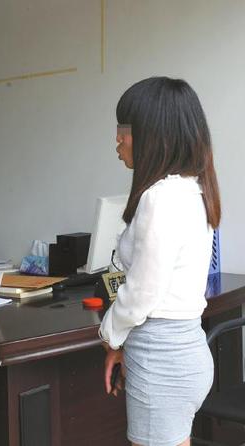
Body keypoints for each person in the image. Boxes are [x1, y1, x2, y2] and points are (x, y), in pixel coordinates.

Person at [99, 77, 220, 446]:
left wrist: (110, 336)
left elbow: (143, 292)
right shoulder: (193, 189)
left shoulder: (160, 197)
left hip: (161, 359)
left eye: (124, 128)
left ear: (152, 134)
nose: (117, 139)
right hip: (185, 351)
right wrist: (122, 342)